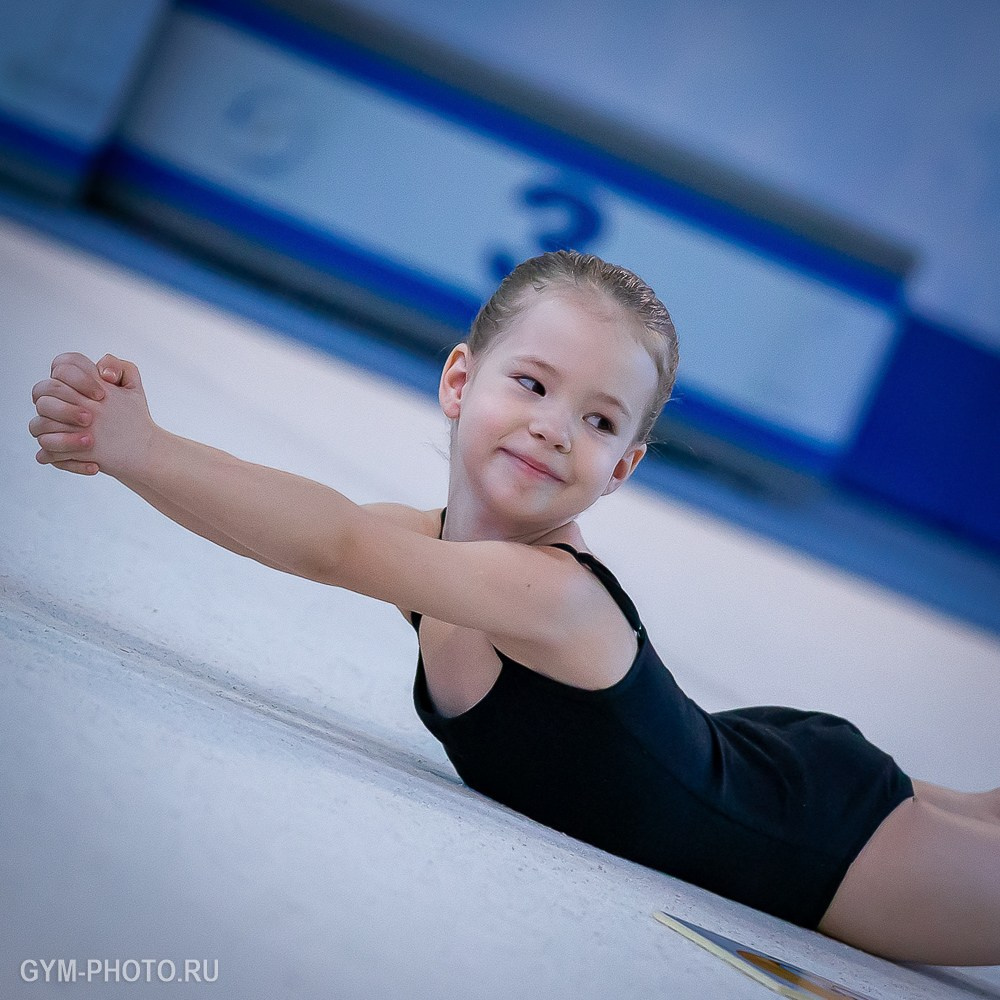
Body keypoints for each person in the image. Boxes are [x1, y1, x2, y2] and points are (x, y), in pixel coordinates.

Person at [28, 251, 1000, 965]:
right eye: (532, 383)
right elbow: (284, 522)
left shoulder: (548, 590)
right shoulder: (440, 541)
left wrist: (140, 448)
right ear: (462, 380)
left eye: (597, 419)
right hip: (759, 758)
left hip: (826, 843)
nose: (551, 425)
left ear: (622, 465)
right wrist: (125, 452)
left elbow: (331, 543)